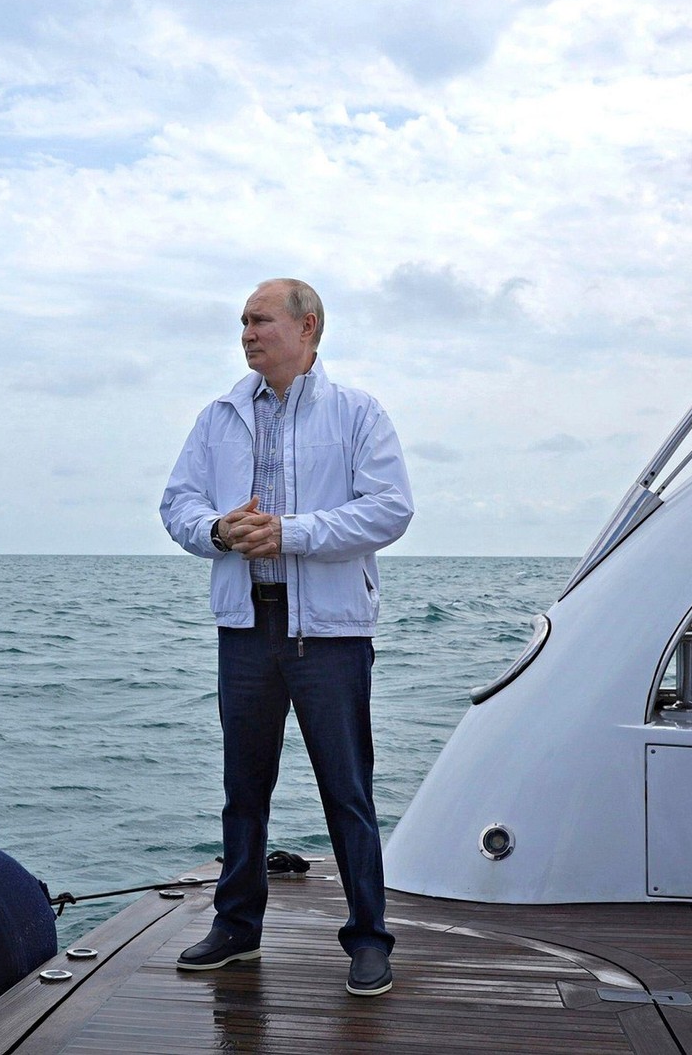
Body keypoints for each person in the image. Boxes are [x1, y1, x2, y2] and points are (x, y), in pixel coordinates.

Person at [160, 278, 413, 997]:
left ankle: (369, 938)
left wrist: (290, 533)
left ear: (308, 328)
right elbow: (177, 504)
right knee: (243, 790)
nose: (247, 333)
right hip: (246, 626)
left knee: (347, 791)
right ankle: (237, 929)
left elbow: (391, 510)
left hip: (329, 633)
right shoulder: (219, 416)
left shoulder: (357, 411)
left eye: (261, 320)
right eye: (243, 322)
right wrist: (217, 530)